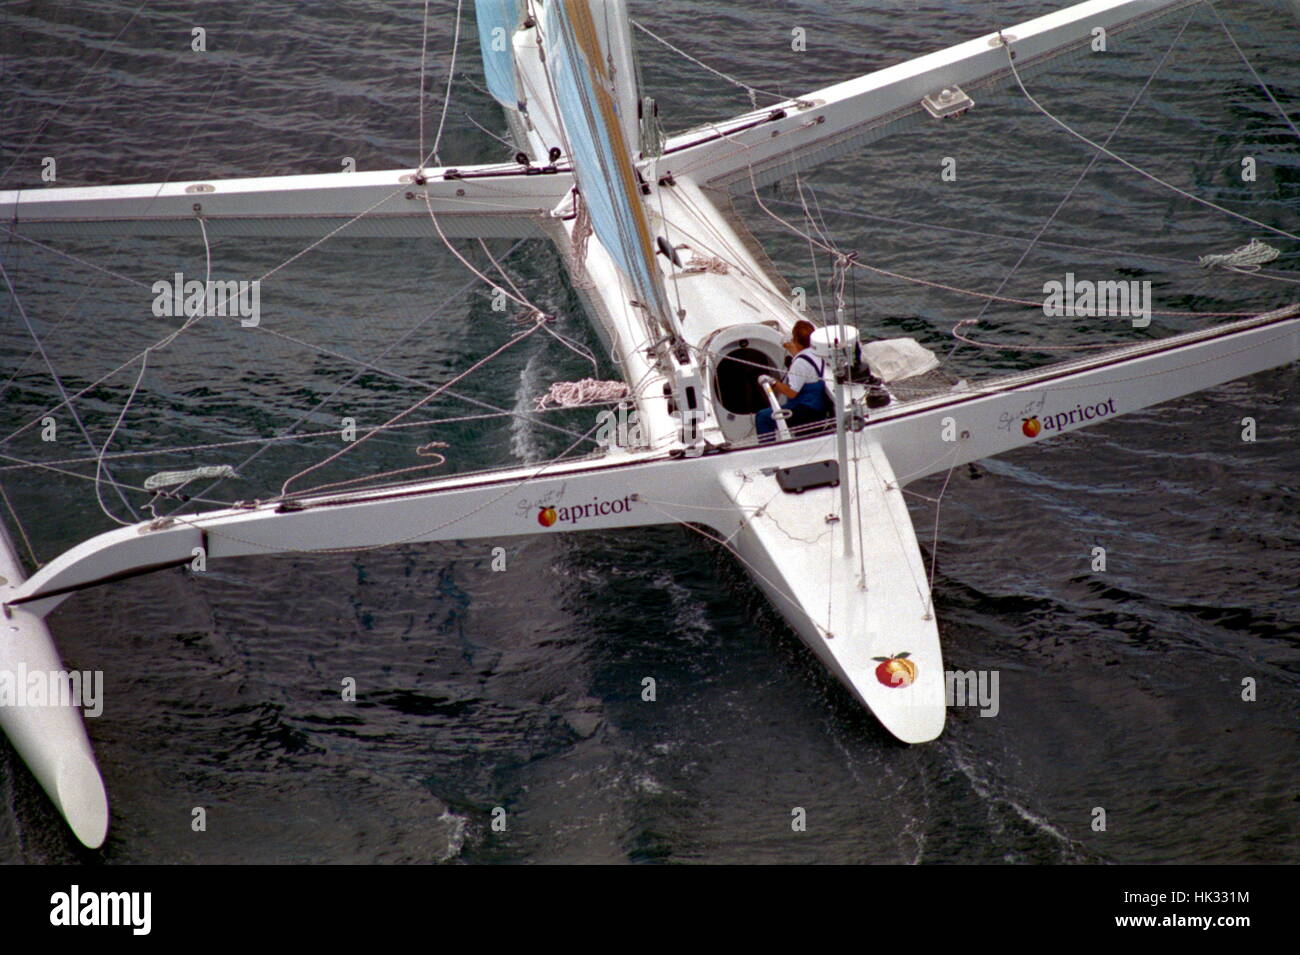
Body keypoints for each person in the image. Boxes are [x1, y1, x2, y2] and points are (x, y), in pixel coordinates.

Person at [755, 320, 832, 440]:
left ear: (796, 339)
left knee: (763, 417)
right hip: (818, 409)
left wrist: (772, 382)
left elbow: (791, 392)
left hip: (805, 412)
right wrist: (789, 346)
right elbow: (801, 355)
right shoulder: (816, 354)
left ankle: (768, 449)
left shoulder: (800, 363)